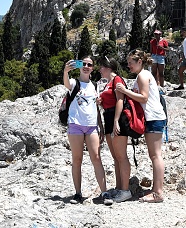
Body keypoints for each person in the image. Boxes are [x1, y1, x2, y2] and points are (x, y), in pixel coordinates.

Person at [115, 49, 166, 203]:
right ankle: (156, 189)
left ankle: (157, 193)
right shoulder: (143, 75)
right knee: (154, 155)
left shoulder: (143, 76)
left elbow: (143, 98)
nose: (128, 65)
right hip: (152, 118)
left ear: (139, 62)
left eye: (131, 62)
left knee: (155, 155)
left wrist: (125, 91)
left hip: (153, 118)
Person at [62, 56, 111, 204]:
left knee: (96, 158)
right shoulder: (74, 83)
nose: (86, 66)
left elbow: (96, 107)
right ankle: (77, 193)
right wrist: (65, 71)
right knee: (77, 159)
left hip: (91, 126)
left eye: (89, 65)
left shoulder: (94, 85)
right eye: (83, 64)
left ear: (92, 68)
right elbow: (66, 84)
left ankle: (104, 192)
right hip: (75, 124)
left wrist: (100, 126)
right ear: (79, 66)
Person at [97, 56, 132, 203]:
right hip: (108, 116)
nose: (99, 69)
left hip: (116, 118)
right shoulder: (108, 83)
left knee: (121, 155)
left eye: (102, 67)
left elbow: (120, 100)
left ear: (108, 67)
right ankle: (119, 188)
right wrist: (101, 101)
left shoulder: (117, 80)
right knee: (116, 156)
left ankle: (125, 190)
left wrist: (116, 121)